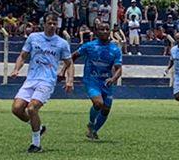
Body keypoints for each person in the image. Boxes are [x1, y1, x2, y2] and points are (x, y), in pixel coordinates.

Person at [9, 12, 73, 152]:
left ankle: (36, 144)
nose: (52, 26)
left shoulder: (62, 43)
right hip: (31, 79)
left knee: (32, 108)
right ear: (44, 24)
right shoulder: (33, 38)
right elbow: (23, 56)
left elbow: (69, 62)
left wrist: (69, 80)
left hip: (47, 81)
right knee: (17, 109)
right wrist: (16, 69)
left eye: (54, 23)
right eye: (49, 23)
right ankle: (40, 127)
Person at [76, 26, 125, 141]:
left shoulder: (115, 49)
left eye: (107, 29)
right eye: (102, 29)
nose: (104, 31)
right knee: (98, 103)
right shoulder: (89, 46)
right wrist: (66, 71)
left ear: (110, 32)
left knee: (106, 109)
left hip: (106, 82)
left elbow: (118, 68)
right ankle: (91, 123)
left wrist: (113, 79)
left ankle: (94, 131)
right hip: (91, 80)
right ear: (96, 32)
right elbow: (74, 56)